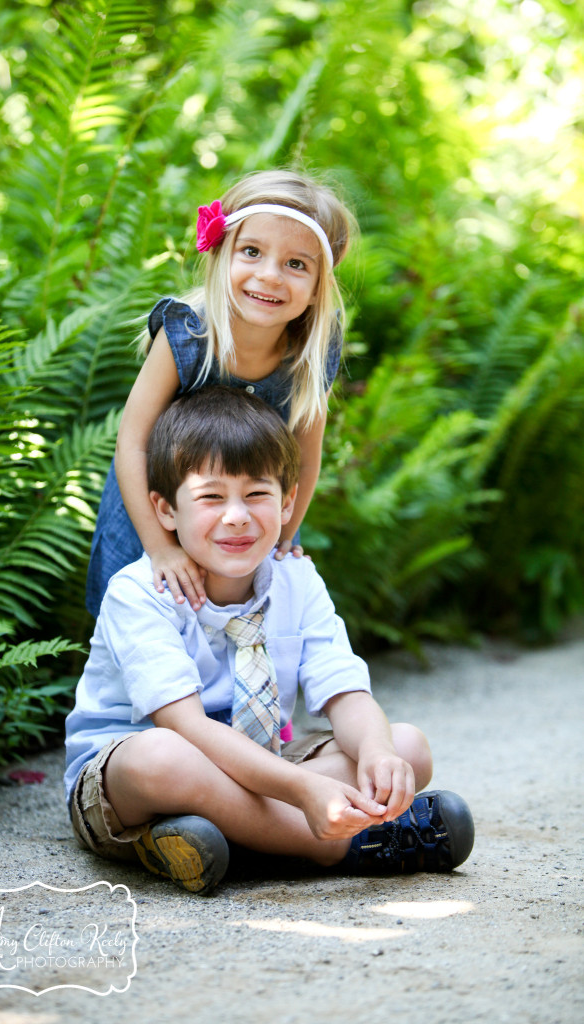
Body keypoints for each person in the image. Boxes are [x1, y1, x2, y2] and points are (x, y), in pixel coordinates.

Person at [66, 387, 474, 895]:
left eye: (257, 494)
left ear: (286, 504)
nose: (236, 515)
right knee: (162, 757)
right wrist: (304, 790)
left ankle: (205, 840)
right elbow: (187, 728)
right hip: (130, 777)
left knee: (406, 748)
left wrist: (375, 750)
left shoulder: (295, 579)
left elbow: (344, 688)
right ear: (166, 510)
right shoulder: (140, 591)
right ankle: (338, 846)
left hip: (265, 762)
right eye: (211, 497)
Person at [85, 169, 355, 620]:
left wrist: (285, 536)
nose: (269, 276)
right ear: (221, 254)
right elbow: (132, 443)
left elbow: (306, 459)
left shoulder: (310, 357)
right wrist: (160, 548)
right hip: (158, 517)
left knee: (239, 626)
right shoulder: (187, 337)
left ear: (316, 289)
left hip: (245, 521)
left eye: (296, 264)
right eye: (252, 252)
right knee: (145, 624)